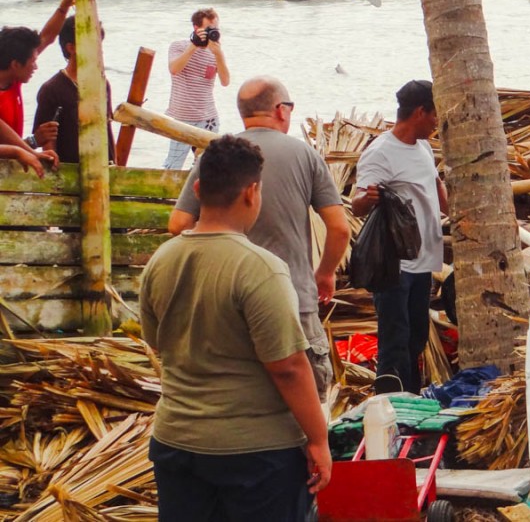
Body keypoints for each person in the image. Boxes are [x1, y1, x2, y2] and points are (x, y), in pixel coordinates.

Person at [142, 135, 331, 521]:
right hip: (255, 454)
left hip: (176, 441)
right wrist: (319, 439)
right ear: (252, 192)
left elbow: (158, 343)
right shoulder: (260, 268)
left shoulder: (161, 260)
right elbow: (289, 366)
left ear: (197, 189)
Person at [168, 76, 350, 399]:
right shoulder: (305, 155)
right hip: (294, 297)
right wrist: (325, 273)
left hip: (225, 298)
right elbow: (339, 228)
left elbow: (179, 223)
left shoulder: (219, 155)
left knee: (241, 391)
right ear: (281, 110)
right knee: (304, 393)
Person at [352, 80, 447, 394]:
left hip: (424, 259)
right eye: (435, 114)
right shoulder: (380, 153)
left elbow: (435, 185)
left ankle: (413, 395)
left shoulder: (422, 147)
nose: (437, 122)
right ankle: (392, 401)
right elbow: (356, 204)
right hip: (395, 263)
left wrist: (457, 214)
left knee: (417, 335)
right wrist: (369, 198)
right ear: (420, 111)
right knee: (395, 336)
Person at [0, 0, 77, 176]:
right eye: (32, 62)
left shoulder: (11, 78)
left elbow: (47, 37)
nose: (36, 66)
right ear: (16, 64)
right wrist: (24, 149)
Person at [33, 16, 116, 164]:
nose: (99, 51)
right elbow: (47, 142)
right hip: (71, 169)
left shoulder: (102, 83)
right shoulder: (51, 90)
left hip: (104, 167)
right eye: (92, 44)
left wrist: (116, 163)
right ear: (71, 48)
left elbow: (107, 128)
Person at [162, 7, 230, 170]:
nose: (212, 33)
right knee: (173, 164)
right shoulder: (178, 46)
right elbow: (174, 69)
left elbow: (225, 81)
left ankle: (199, 194)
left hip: (208, 118)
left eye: (215, 29)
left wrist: (219, 55)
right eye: (208, 30)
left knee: (207, 166)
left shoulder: (215, 53)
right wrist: (193, 46)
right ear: (196, 28)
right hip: (182, 117)